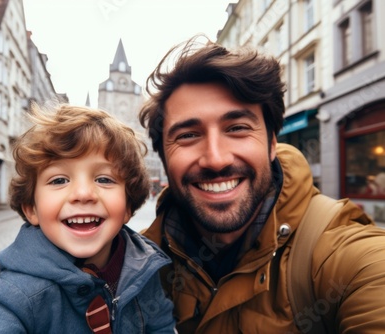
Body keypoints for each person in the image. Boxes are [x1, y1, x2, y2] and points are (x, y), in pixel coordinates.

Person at [138, 35, 385, 333]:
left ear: (271, 144)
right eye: (188, 135)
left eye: (238, 128)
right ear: (164, 158)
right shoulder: (136, 266)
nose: (215, 160)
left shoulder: (347, 259)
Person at [0, 104, 176, 333]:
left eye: (104, 179)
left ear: (127, 206)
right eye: (59, 180)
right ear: (31, 209)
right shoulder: (14, 297)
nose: (83, 194)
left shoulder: (146, 270)